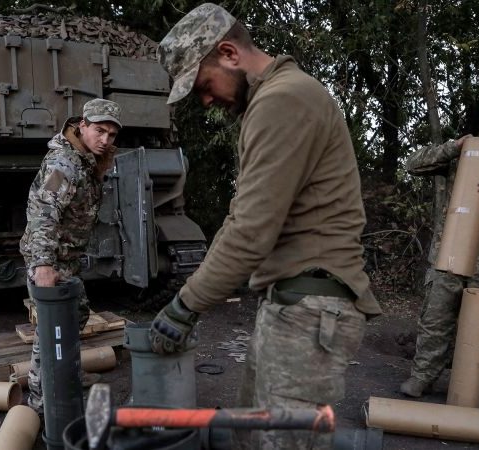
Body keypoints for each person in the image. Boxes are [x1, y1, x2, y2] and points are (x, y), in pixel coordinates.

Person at [148, 4, 382, 449]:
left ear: (229, 53)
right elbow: (244, 218)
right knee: (250, 435)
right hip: (292, 306)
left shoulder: (282, 100)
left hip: (310, 311)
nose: (205, 100)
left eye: (203, 85)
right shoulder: (275, 100)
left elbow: (250, 232)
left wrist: (184, 306)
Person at [20, 98, 121, 414]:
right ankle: (39, 401)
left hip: (66, 256)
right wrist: (43, 264)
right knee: (50, 328)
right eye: (99, 131)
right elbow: (44, 213)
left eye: (111, 135)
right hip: (50, 256)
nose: (105, 140)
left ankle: (69, 373)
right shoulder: (64, 163)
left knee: (76, 314)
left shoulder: (88, 158)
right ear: (83, 125)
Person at [400, 105, 479, 407]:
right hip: (448, 255)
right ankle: (422, 376)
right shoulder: (463, 153)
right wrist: (453, 148)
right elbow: (412, 165)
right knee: (435, 319)